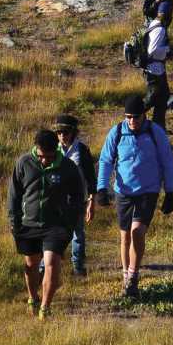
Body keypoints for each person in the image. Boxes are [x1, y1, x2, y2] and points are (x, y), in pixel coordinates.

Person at [96, 93, 173, 300]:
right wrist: (101, 188)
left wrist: (170, 192)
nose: (132, 121)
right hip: (123, 191)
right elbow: (106, 160)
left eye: (136, 117)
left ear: (144, 115)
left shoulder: (155, 132)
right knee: (124, 236)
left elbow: (167, 161)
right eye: (128, 117)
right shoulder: (116, 132)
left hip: (148, 191)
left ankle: (133, 276)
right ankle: (126, 277)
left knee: (137, 232)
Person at [6, 127, 87, 318]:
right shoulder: (24, 163)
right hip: (28, 224)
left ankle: (45, 307)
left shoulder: (67, 167)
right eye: (41, 156)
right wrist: (14, 220)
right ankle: (33, 297)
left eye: (49, 157)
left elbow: (77, 196)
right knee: (31, 264)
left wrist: (70, 221)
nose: (45, 161)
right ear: (36, 149)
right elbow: (14, 195)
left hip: (56, 226)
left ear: (56, 151)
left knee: (51, 262)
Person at [55, 113, 99, 277]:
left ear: (73, 132)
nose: (62, 136)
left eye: (65, 133)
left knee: (77, 234)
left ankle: (78, 267)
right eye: (59, 133)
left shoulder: (81, 150)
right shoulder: (53, 148)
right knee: (54, 233)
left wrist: (91, 200)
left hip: (77, 199)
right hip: (56, 200)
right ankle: (48, 266)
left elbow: (90, 177)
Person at [141, 5, 173, 128]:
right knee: (152, 98)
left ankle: (158, 127)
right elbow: (152, 50)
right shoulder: (160, 29)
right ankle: (134, 115)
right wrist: (167, 50)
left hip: (154, 69)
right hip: (154, 70)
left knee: (163, 96)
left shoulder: (153, 23)